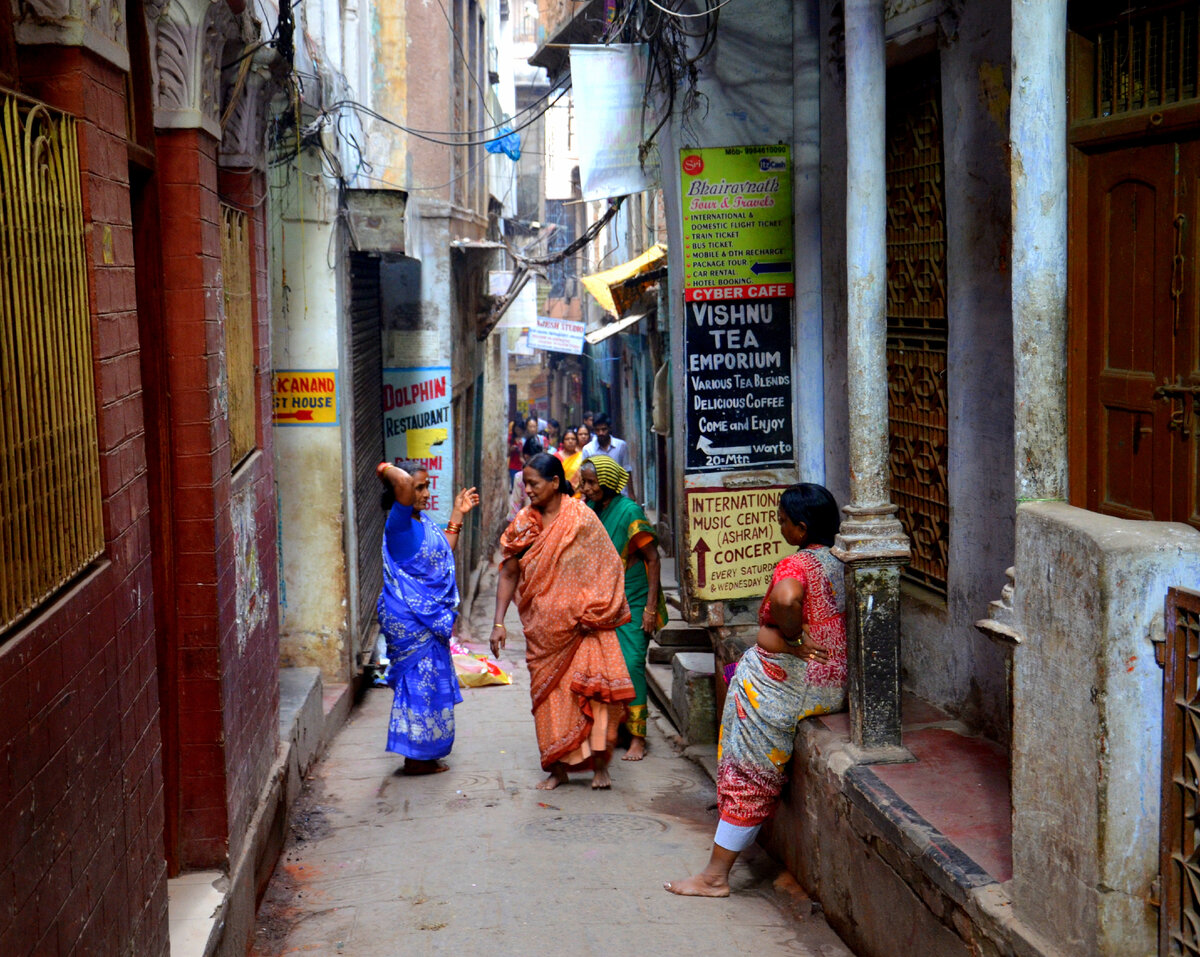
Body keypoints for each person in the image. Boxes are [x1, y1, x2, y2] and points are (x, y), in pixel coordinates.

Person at [664, 483, 847, 897]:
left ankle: (714, 877)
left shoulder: (796, 566)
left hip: (791, 687)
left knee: (748, 774)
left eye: (783, 521)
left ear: (801, 528)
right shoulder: (839, 561)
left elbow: (785, 598)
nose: (778, 526)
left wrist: (793, 637)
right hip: (825, 683)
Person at [490, 452, 635, 790]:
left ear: (555, 483)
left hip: (587, 629)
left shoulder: (582, 519)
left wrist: (597, 611)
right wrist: (498, 623)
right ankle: (557, 770)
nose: (528, 490)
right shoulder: (524, 523)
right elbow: (509, 573)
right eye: (525, 483)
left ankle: (601, 768)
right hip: (544, 635)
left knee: (596, 698)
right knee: (549, 701)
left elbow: (609, 565)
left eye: (534, 483)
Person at [375, 461, 480, 775]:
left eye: (426, 486)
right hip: (411, 618)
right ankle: (415, 756)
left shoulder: (423, 523)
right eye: (418, 487)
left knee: (431, 683)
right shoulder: (400, 523)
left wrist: (458, 515)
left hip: (427, 617)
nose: (424, 492)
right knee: (418, 684)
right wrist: (384, 467)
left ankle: (425, 752)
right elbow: (402, 484)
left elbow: (441, 552)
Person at [577, 456, 666, 761]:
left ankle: (638, 737)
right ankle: (618, 729)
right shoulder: (589, 511)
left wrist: (651, 608)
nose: (585, 488)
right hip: (602, 601)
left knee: (632, 665)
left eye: (591, 482)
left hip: (634, 598)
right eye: (583, 481)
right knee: (603, 669)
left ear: (609, 483)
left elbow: (653, 559)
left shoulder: (630, 512)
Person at [507, 436, 542, 521]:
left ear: (526, 456)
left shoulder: (520, 476)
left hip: (528, 522)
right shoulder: (548, 474)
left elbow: (515, 505)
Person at [507, 418, 525, 486]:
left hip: (523, 465)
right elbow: (507, 453)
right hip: (513, 466)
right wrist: (511, 449)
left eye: (519, 430)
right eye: (517, 429)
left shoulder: (524, 440)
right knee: (514, 485)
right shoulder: (510, 438)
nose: (518, 431)